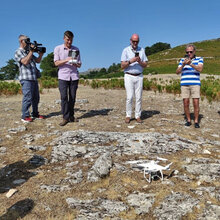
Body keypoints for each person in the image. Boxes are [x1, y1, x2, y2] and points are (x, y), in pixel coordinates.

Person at [14, 35, 45, 122]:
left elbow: (38, 61)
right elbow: (25, 61)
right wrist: (31, 51)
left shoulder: (28, 51)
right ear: (21, 41)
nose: (28, 42)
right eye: (26, 40)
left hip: (33, 78)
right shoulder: (18, 52)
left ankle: (35, 113)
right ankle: (25, 116)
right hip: (26, 78)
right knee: (27, 97)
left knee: (36, 97)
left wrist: (41, 54)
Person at [54, 30, 82, 126]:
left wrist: (76, 63)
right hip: (62, 76)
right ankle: (65, 117)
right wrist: (66, 60)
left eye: (71, 40)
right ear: (64, 38)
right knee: (64, 97)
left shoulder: (76, 49)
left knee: (73, 97)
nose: (69, 42)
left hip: (74, 76)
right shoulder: (57, 49)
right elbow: (56, 63)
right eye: (67, 40)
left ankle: (71, 116)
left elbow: (80, 64)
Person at [121, 34, 148, 123]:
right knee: (129, 97)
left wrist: (139, 61)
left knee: (139, 97)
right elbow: (122, 66)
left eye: (137, 41)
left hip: (139, 76)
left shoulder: (142, 50)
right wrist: (130, 61)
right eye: (133, 41)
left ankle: (138, 116)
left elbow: (145, 65)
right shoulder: (125, 50)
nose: (135, 43)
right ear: (130, 41)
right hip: (129, 75)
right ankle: (128, 115)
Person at [176, 44, 203, 128]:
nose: (189, 53)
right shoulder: (182, 60)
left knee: (196, 102)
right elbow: (177, 72)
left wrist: (190, 64)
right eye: (187, 52)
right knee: (186, 102)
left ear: (194, 51)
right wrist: (183, 64)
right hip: (184, 84)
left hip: (195, 84)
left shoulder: (199, 59)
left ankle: (196, 121)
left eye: (191, 52)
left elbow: (200, 69)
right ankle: (188, 120)